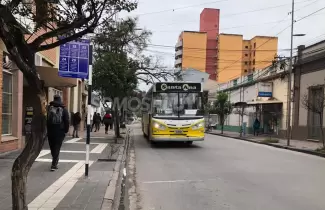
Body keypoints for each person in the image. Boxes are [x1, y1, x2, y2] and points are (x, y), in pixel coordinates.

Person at [47, 95, 69, 171]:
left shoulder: (49, 109)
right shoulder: (64, 109)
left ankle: (54, 159)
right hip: (60, 130)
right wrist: (66, 130)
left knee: (52, 146)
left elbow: (46, 120)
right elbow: (67, 121)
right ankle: (54, 163)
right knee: (57, 146)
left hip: (51, 130)